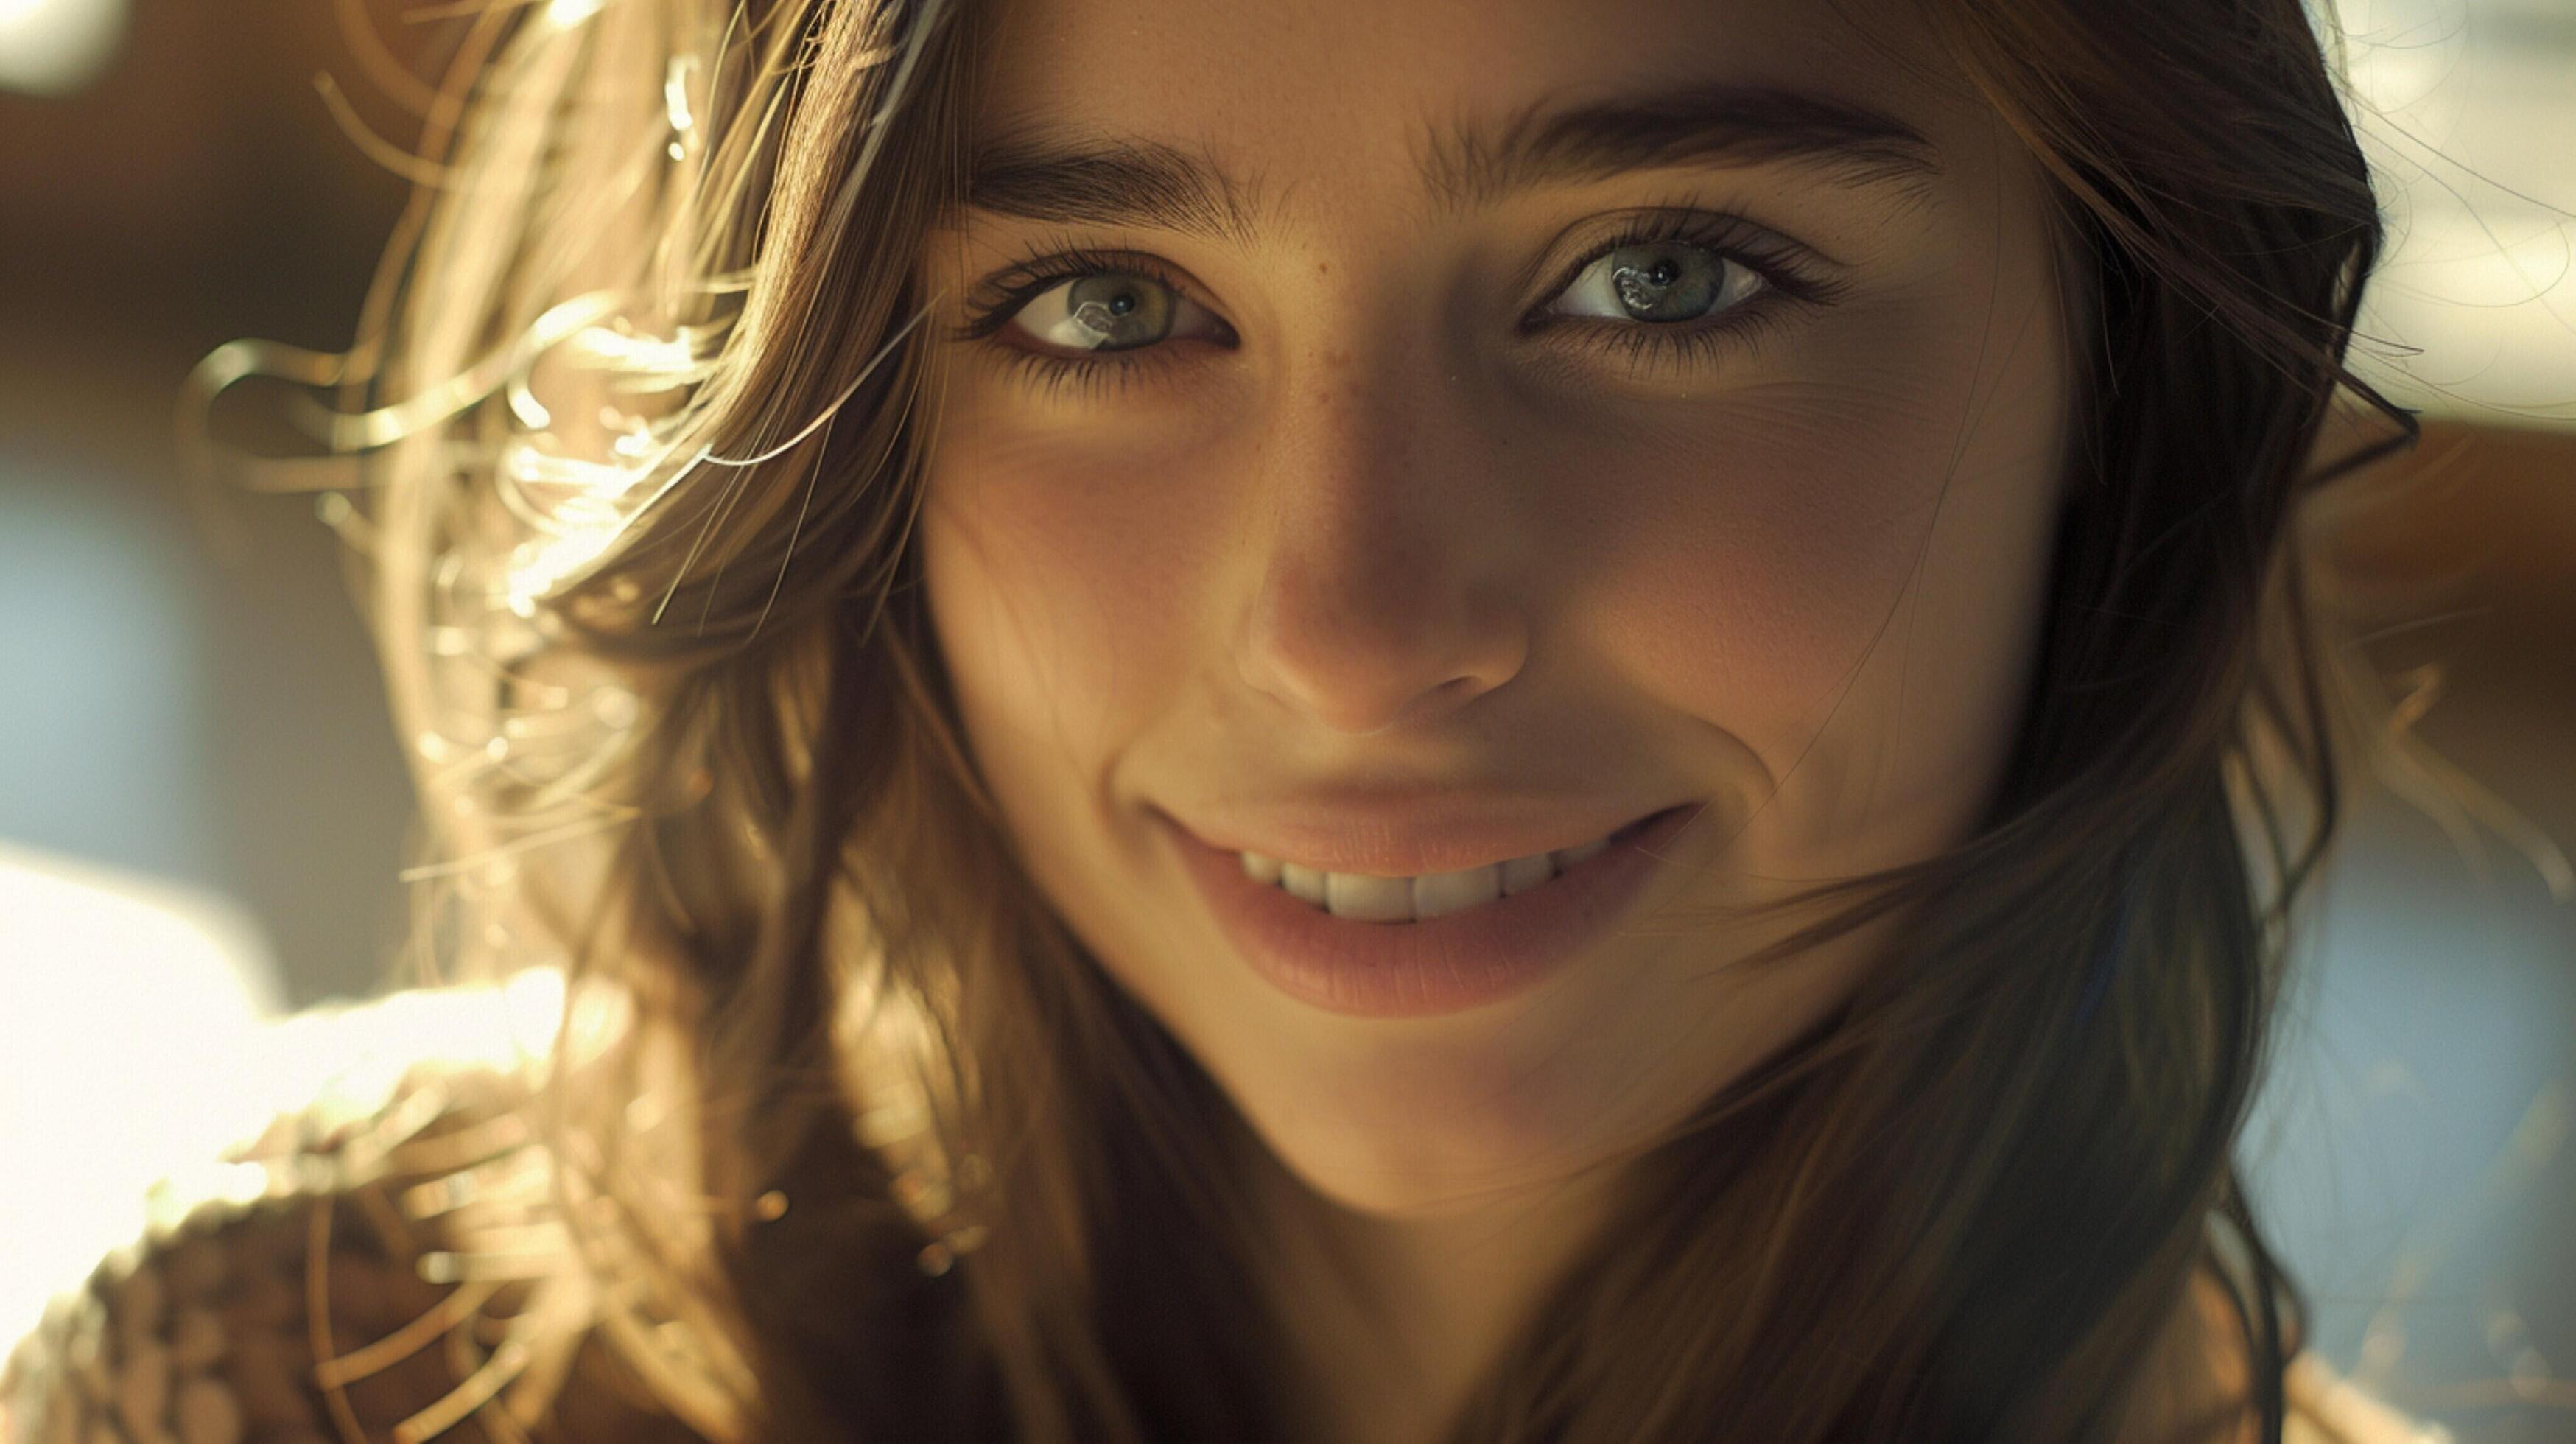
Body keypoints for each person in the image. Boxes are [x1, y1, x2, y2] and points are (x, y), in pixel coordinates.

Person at [0, 0, 2465, 1439]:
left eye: (1663, 275)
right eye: (1096, 304)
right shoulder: (307, 1366)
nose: (1357, 630)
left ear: (2130, 371)